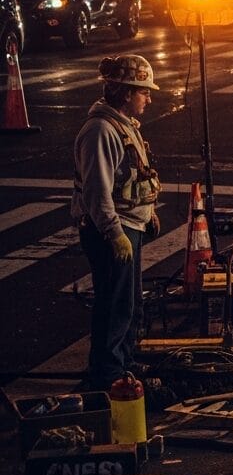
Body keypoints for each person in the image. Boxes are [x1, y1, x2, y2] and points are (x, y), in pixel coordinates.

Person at [72, 55, 162, 391]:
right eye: (143, 91)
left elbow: (132, 174)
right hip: (113, 231)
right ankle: (109, 373)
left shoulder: (121, 126)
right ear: (126, 93)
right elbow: (97, 192)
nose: (148, 98)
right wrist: (114, 234)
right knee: (114, 303)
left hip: (129, 226)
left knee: (130, 301)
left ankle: (123, 361)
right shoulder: (100, 131)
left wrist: (147, 212)